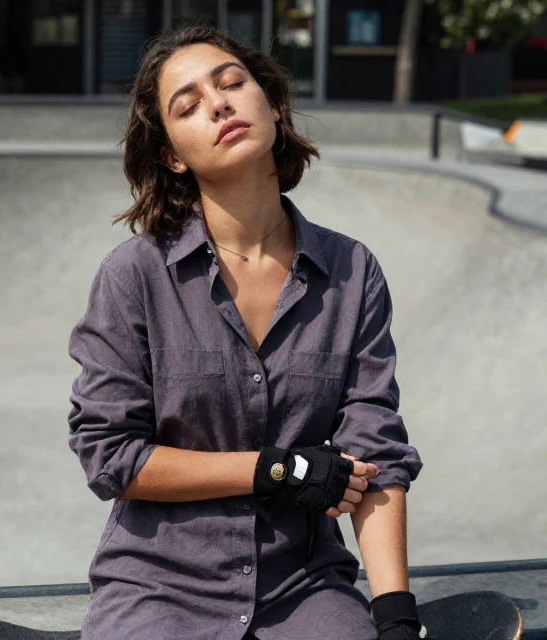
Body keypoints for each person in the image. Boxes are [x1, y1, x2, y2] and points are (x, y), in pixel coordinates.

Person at [67, 25, 423, 640]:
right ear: (172, 155)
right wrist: (272, 470)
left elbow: (376, 454)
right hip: (158, 582)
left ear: (275, 108)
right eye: (188, 105)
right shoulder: (135, 277)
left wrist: (394, 612)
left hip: (302, 583)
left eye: (233, 83)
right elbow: (110, 456)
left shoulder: (351, 272)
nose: (219, 103)